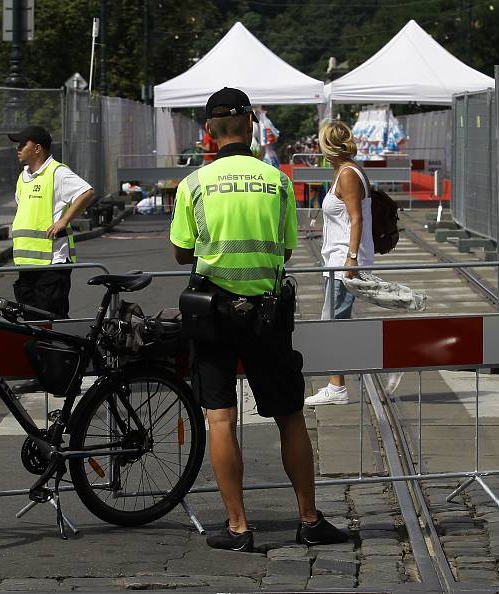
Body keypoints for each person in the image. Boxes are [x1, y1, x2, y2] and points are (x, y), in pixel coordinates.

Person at [169, 87, 348, 552]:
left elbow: (181, 249)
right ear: (250, 124)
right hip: (268, 314)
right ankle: (308, 519)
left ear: (208, 130)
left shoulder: (194, 185)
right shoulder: (277, 181)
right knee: (289, 415)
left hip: (212, 314)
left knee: (222, 418)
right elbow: (286, 249)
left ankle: (238, 527)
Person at [305, 120, 374, 406]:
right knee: (335, 319)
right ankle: (337, 384)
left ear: (326, 146)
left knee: (332, 321)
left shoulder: (347, 174)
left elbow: (356, 218)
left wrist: (352, 257)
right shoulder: (344, 171)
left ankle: (337, 387)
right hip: (336, 258)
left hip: (344, 260)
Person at [9, 125, 95, 319]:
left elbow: (86, 192)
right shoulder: (23, 177)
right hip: (27, 262)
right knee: (32, 321)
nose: (18, 148)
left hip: (52, 262)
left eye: (23, 144)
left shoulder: (57, 172)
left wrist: (63, 220)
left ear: (37, 148)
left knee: (52, 319)